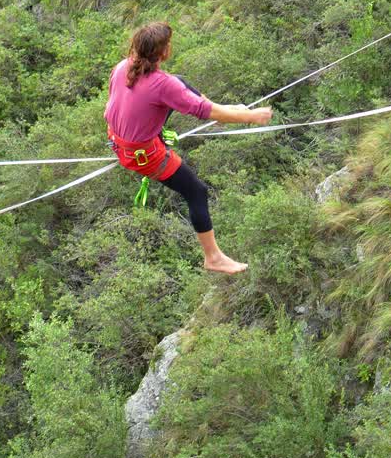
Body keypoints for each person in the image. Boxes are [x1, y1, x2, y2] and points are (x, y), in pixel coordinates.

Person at [104, 22, 272, 274]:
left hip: (118, 139)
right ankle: (213, 257)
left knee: (180, 81)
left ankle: (228, 108)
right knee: (196, 192)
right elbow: (207, 113)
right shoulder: (162, 85)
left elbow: (126, 103)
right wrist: (252, 117)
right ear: (163, 52)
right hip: (142, 155)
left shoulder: (122, 67)